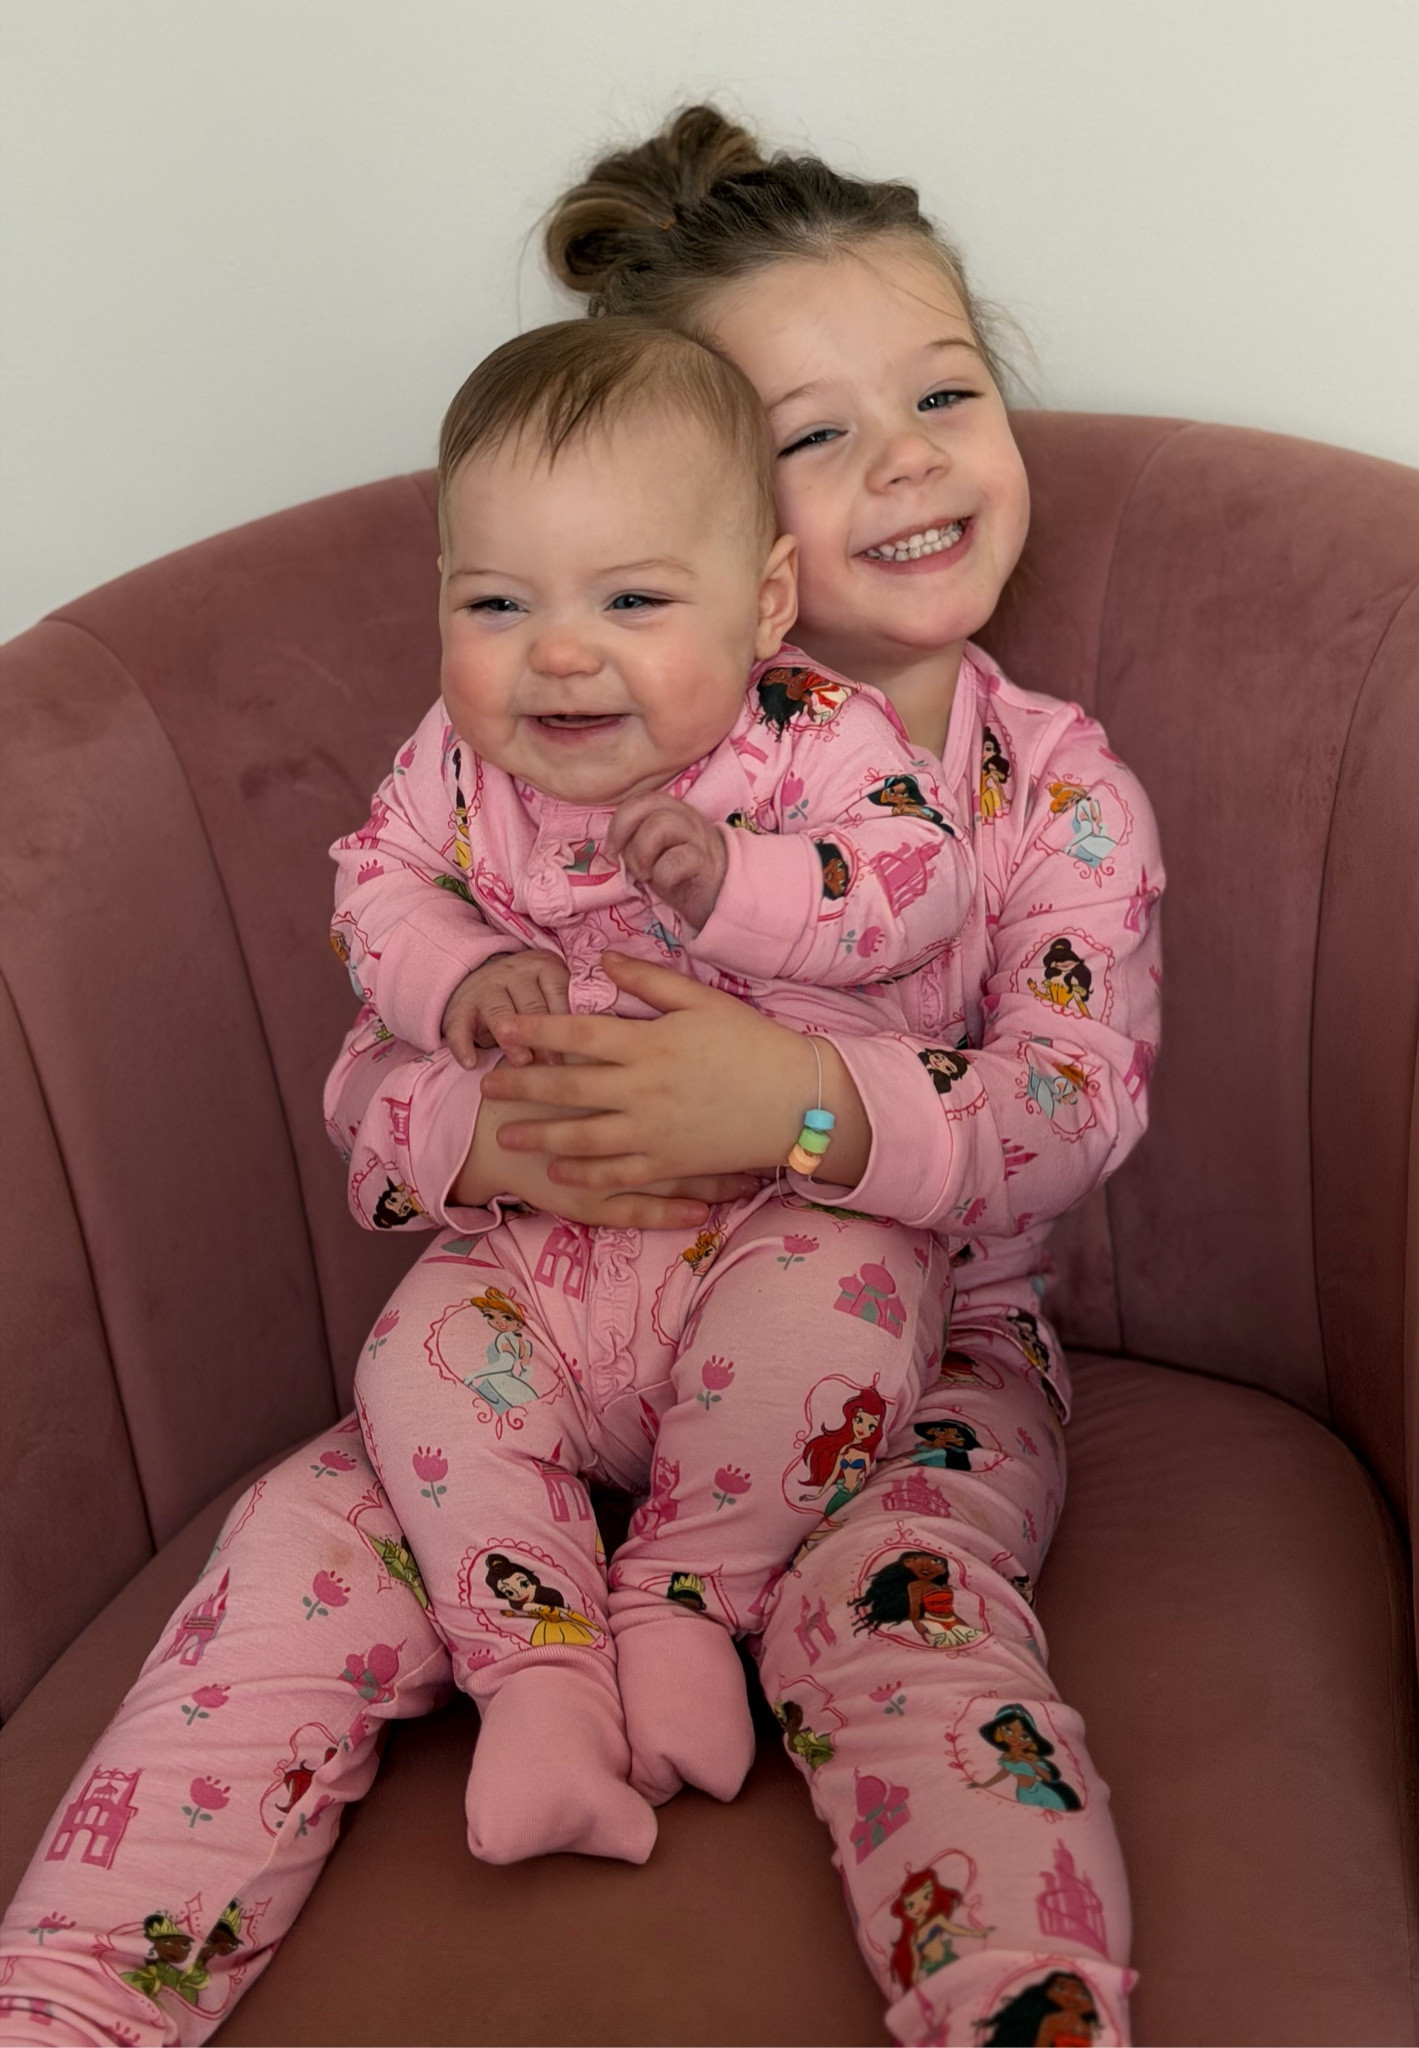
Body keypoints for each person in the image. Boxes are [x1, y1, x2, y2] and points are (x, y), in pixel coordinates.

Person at [0, 105, 1160, 2048]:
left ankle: (1018, 2004)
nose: (904, 457)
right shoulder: (532, 755)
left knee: (906, 1621)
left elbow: (1072, 1112)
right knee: (294, 1555)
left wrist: (797, 1109)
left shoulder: (1050, 792)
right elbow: (377, 1092)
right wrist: (489, 1127)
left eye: (945, 390)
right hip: (553, 1319)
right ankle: (66, 2004)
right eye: (810, 435)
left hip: (914, 1355)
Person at [336, 313, 972, 1865]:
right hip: (539, 1261)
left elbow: (922, 877)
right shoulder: (452, 769)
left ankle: (688, 1597)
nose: (559, 652)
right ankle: (537, 1675)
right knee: (415, 1369)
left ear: (763, 603)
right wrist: (454, 976)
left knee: (849, 1315)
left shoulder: (811, 739)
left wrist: (743, 888)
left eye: (631, 599)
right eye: (498, 602)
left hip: (767, 1226)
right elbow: (375, 882)